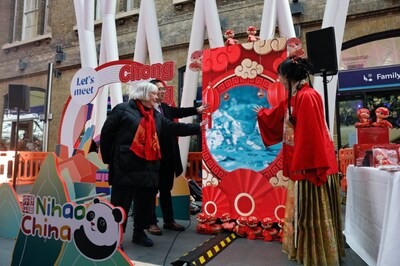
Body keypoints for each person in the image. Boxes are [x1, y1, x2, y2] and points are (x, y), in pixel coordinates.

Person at [254, 56, 345, 265]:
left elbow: (312, 136)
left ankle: (315, 255)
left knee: (310, 214)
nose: (279, 81)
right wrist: (262, 115)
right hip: (302, 163)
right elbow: (279, 116)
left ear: (286, 77)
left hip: (310, 165)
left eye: (280, 77)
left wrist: (308, 167)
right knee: (302, 214)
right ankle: (308, 252)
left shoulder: (307, 96)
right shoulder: (295, 97)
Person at [100, 82, 206, 247]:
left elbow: (173, 127)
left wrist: (198, 127)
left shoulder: (155, 115)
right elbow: (106, 134)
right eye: (154, 94)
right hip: (125, 167)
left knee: (145, 205)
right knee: (120, 205)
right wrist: (109, 159)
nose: (158, 97)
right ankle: (114, 236)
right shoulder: (122, 110)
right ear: (144, 94)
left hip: (149, 168)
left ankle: (139, 233)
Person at [148, 79, 209, 235]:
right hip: (152, 159)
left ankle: (169, 221)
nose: (162, 92)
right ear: (150, 92)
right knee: (150, 192)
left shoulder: (165, 109)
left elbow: (180, 112)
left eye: (163, 89)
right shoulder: (146, 111)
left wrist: (197, 109)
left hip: (168, 158)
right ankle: (151, 223)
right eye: (159, 89)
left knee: (166, 190)